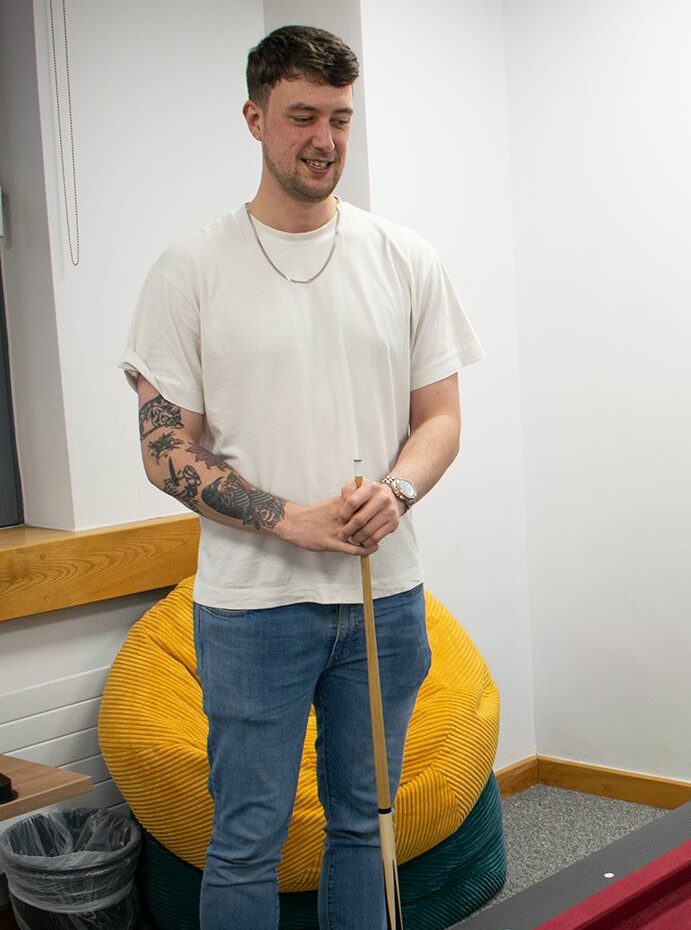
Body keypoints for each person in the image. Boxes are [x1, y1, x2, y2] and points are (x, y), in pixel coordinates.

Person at [120, 25, 483, 930]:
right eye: (301, 116)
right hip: (251, 610)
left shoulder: (406, 258)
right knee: (247, 834)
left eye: (340, 117)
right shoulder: (189, 270)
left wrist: (395, 491)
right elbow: (166, 450)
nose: (324, 138)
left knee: (365, 824)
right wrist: (292, 520)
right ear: (254, 119)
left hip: (383, 599)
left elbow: (440, 420)